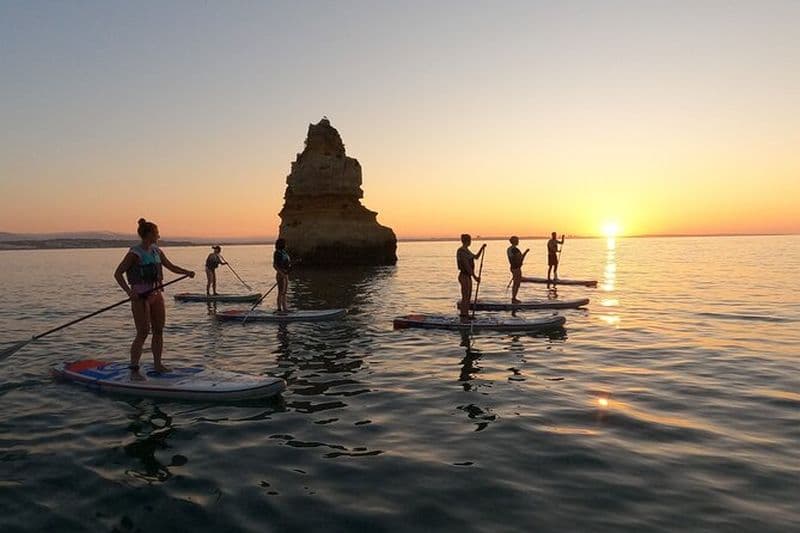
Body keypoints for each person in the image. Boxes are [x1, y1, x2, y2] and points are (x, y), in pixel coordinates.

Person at [114, 218, 195, 381]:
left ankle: (158, 364)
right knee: (143, 333)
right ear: (149, 234)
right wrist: (129, 292)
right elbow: (118, 273)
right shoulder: (134, 253)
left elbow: (170, 266)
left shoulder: (157, 251)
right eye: (156, 233)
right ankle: (134, 369)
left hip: (156, 295)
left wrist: (187, 272)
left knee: (159, 330)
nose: (158, 235)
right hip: (140, 297)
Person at [457, 234, 486, 319]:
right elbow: (466, 266)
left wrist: (482, 248)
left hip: (468, 276)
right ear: (467, 241)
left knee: (468, 296)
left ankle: (466, 314)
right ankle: (463, 314)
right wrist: (475, 277)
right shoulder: (461, 251)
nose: (470, 242)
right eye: (470, 240)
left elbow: (476, 257)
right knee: (465, 296)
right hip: (464, 275)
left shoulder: (467, 250)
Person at [507, 236, 529, 303]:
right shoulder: (515, 249)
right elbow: (520, 258)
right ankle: (514, 298)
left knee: (515, 283)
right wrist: (526, 252)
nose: (518, 241)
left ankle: (514, 298)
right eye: (517, 240)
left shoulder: (509, 249)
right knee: (517, 284)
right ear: (514, 241)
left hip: (513, 267)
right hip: (516, 268)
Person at [273, 238, 291, 313]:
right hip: (281, 275)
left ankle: (285, 308)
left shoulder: (284, 252)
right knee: (281, 292)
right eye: (285, 243)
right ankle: (279, 309)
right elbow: (275, 265)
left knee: (284, 292)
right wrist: (281, 273)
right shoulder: (277, 253)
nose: (286, 245)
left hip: (286, 274)